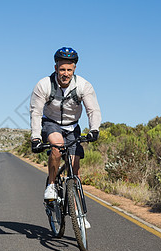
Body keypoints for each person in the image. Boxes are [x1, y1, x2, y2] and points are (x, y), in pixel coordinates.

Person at [30, 47, 102, 228]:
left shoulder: (84, 86)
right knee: (57, 145)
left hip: (73, 127)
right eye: (62, 69)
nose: (65, 73)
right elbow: (36, 113)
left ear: (74, 69)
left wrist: (94, 129)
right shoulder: (44, 85)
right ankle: (52, 185)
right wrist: (36, 137)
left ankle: (79, 213)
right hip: (51, 123)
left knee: (75, 172)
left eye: (69, 70)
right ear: (55, 68)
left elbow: (93, 110)